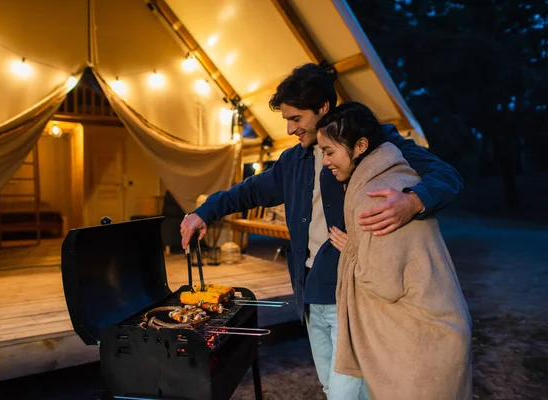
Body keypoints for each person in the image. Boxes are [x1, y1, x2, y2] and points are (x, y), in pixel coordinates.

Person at [180, 63, 463, 399]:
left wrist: (413, 201)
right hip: (309, 294)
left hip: (353, 295)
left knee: (354, 391)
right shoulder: (292, 160)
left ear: (323, 108)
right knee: (333, 388)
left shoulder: (371, 141)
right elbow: (250, 191)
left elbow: (446, 176)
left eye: (296, 119)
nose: (289, 129)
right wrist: (204, 212)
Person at [317, 102, 472, 399]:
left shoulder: (375, 195)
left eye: (329, 151)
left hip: (422, 345)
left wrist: (351, 251)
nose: (326, 161)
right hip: (439, 333)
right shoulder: (395, 175)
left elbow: (385, 283)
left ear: (361, 145)